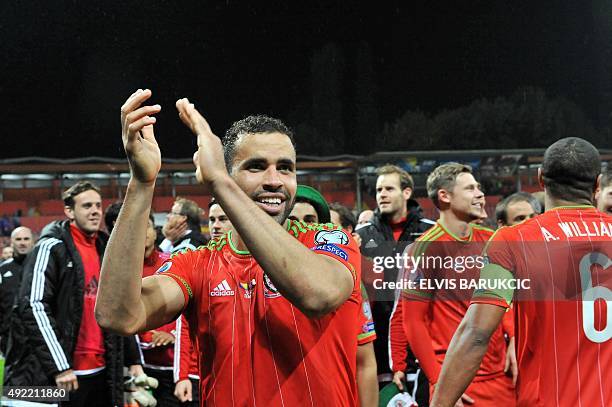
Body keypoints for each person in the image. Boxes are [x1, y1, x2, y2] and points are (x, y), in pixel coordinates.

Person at [96, 89, 362, 406]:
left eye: (285, 168)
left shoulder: (328, 241)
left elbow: (318, 294)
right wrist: (141, 182)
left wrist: (220, 182)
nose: (275, 180)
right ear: (228, 173)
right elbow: (118, 315)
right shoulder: (197, 263)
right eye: (256, 166)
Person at [431, 137, 611, 407]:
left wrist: (439, 403)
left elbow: (477, 332)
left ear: (540, 179)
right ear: (597, 184)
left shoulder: (512, 241)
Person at [8, 181, 142, 406]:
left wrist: (133, 359)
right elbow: (33, 305)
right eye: (87, 206)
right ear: (69, 211)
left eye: (98, 205)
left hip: (101, 371)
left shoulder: (105, 248)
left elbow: (120, 305)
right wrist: (60, 366)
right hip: (57, 376)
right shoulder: (51, 246)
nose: (95, 211)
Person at [398, 163, 515, 406]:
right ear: (445, 196)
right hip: (456, 380)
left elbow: (504, 301)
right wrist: (440, 382)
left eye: (479, 188)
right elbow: (412, 321)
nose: (480, 194)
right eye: (470, 188)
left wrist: (514, 337)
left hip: (499, 377)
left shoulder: (490, 240)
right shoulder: (425, 248)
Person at [356, 164, 434, 388]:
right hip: (376, 349)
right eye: (379, 190)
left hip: (422, 345)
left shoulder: (431, 232)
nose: (382, 194)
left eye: (389, 189)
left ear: (406, 193)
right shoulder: (361, 237)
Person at [0, 227, 34, 352]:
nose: (22, 242)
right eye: (18, 239)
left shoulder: (43, 267)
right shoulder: (2, 270)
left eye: (26, 239)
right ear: (11, 242)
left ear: (33, 241)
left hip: (36, 337)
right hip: (9, 337)